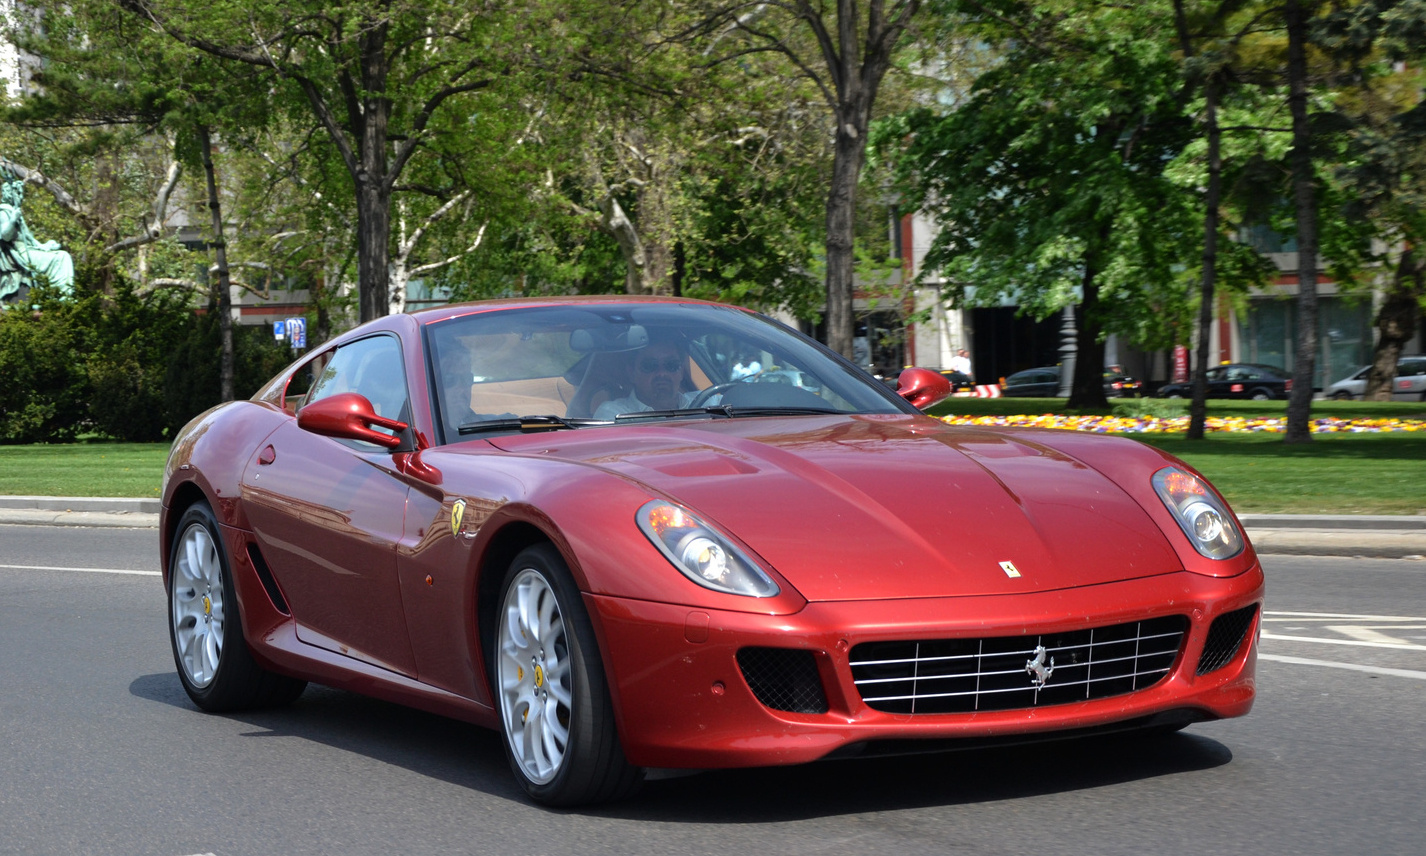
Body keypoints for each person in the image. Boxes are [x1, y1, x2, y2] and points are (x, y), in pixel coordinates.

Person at [0, 179, 74, 305]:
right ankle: (61, 298)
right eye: (17, 193)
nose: (20, 196)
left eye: (21, 193)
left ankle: (60, 297)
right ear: (8, 194)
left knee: (62, 255)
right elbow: (4, 235)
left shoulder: (14, 211)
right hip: (18, 253)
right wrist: (13, 220)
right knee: (60, 259)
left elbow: (31, 239)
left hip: (28, 248)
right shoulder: (4, 211)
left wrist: (45, 246)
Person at [594, 332, 698, 419]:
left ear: (681, 372)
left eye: (671, 365)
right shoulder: (615, 415)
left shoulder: (707, 404)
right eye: (650, 365)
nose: (662, 373)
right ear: (632, 373)